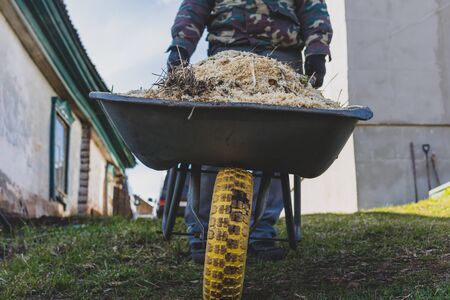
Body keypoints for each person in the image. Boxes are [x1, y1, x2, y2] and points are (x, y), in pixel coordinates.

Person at [166, 0, 333, 263]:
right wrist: (181, 45)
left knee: (276, 147)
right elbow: (195, 6)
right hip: (226, 58)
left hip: (282, 60)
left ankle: (260, 232)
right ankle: (203, 232)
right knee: (213, 142)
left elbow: (312, 6)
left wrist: (317, 49)